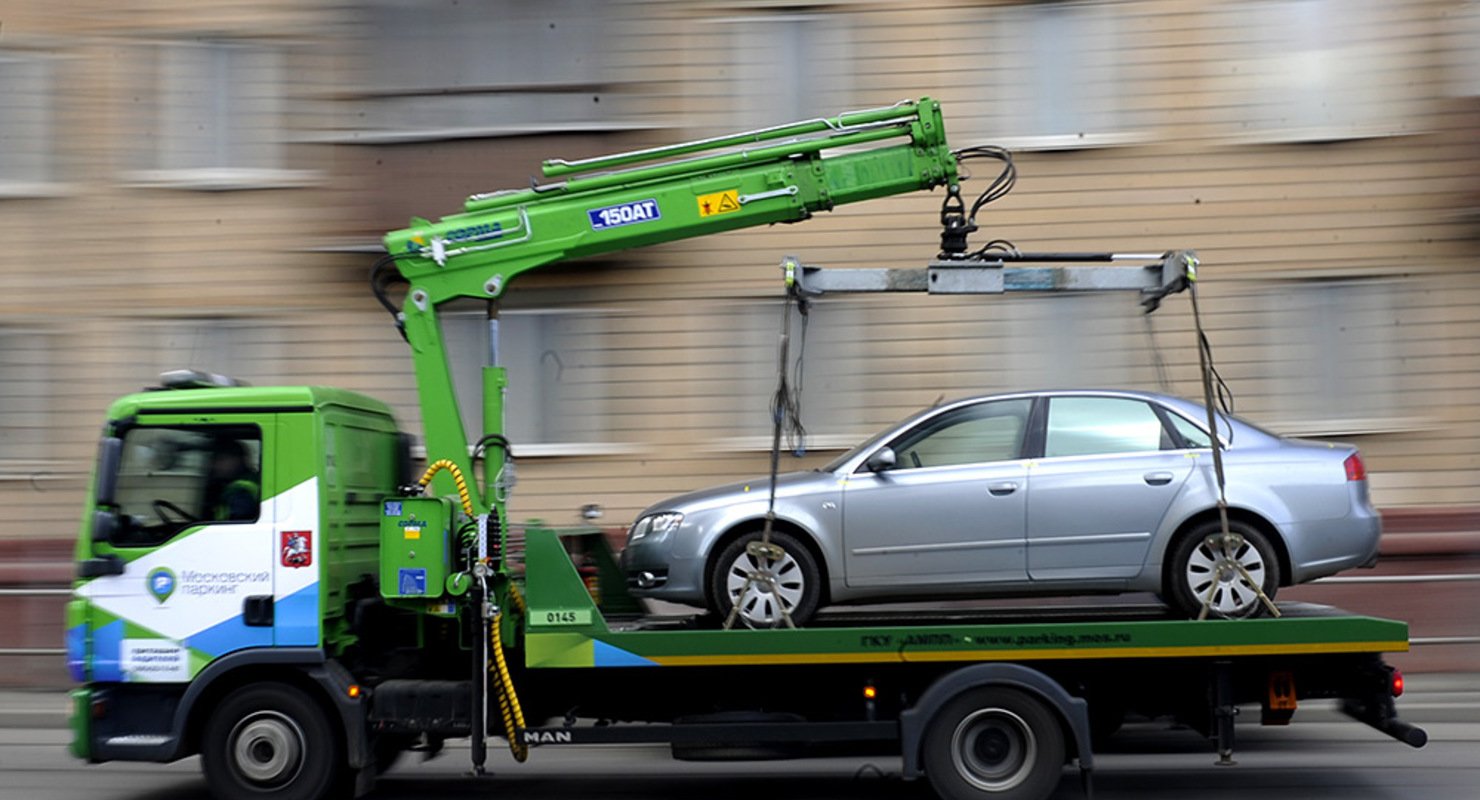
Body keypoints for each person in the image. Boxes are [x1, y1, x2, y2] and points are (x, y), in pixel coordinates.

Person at [205, 439, 260, 521]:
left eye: (221, 459)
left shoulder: (240, 489)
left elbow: (235, 522)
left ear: (238, 460)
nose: (215, 465)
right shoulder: (250, 479)